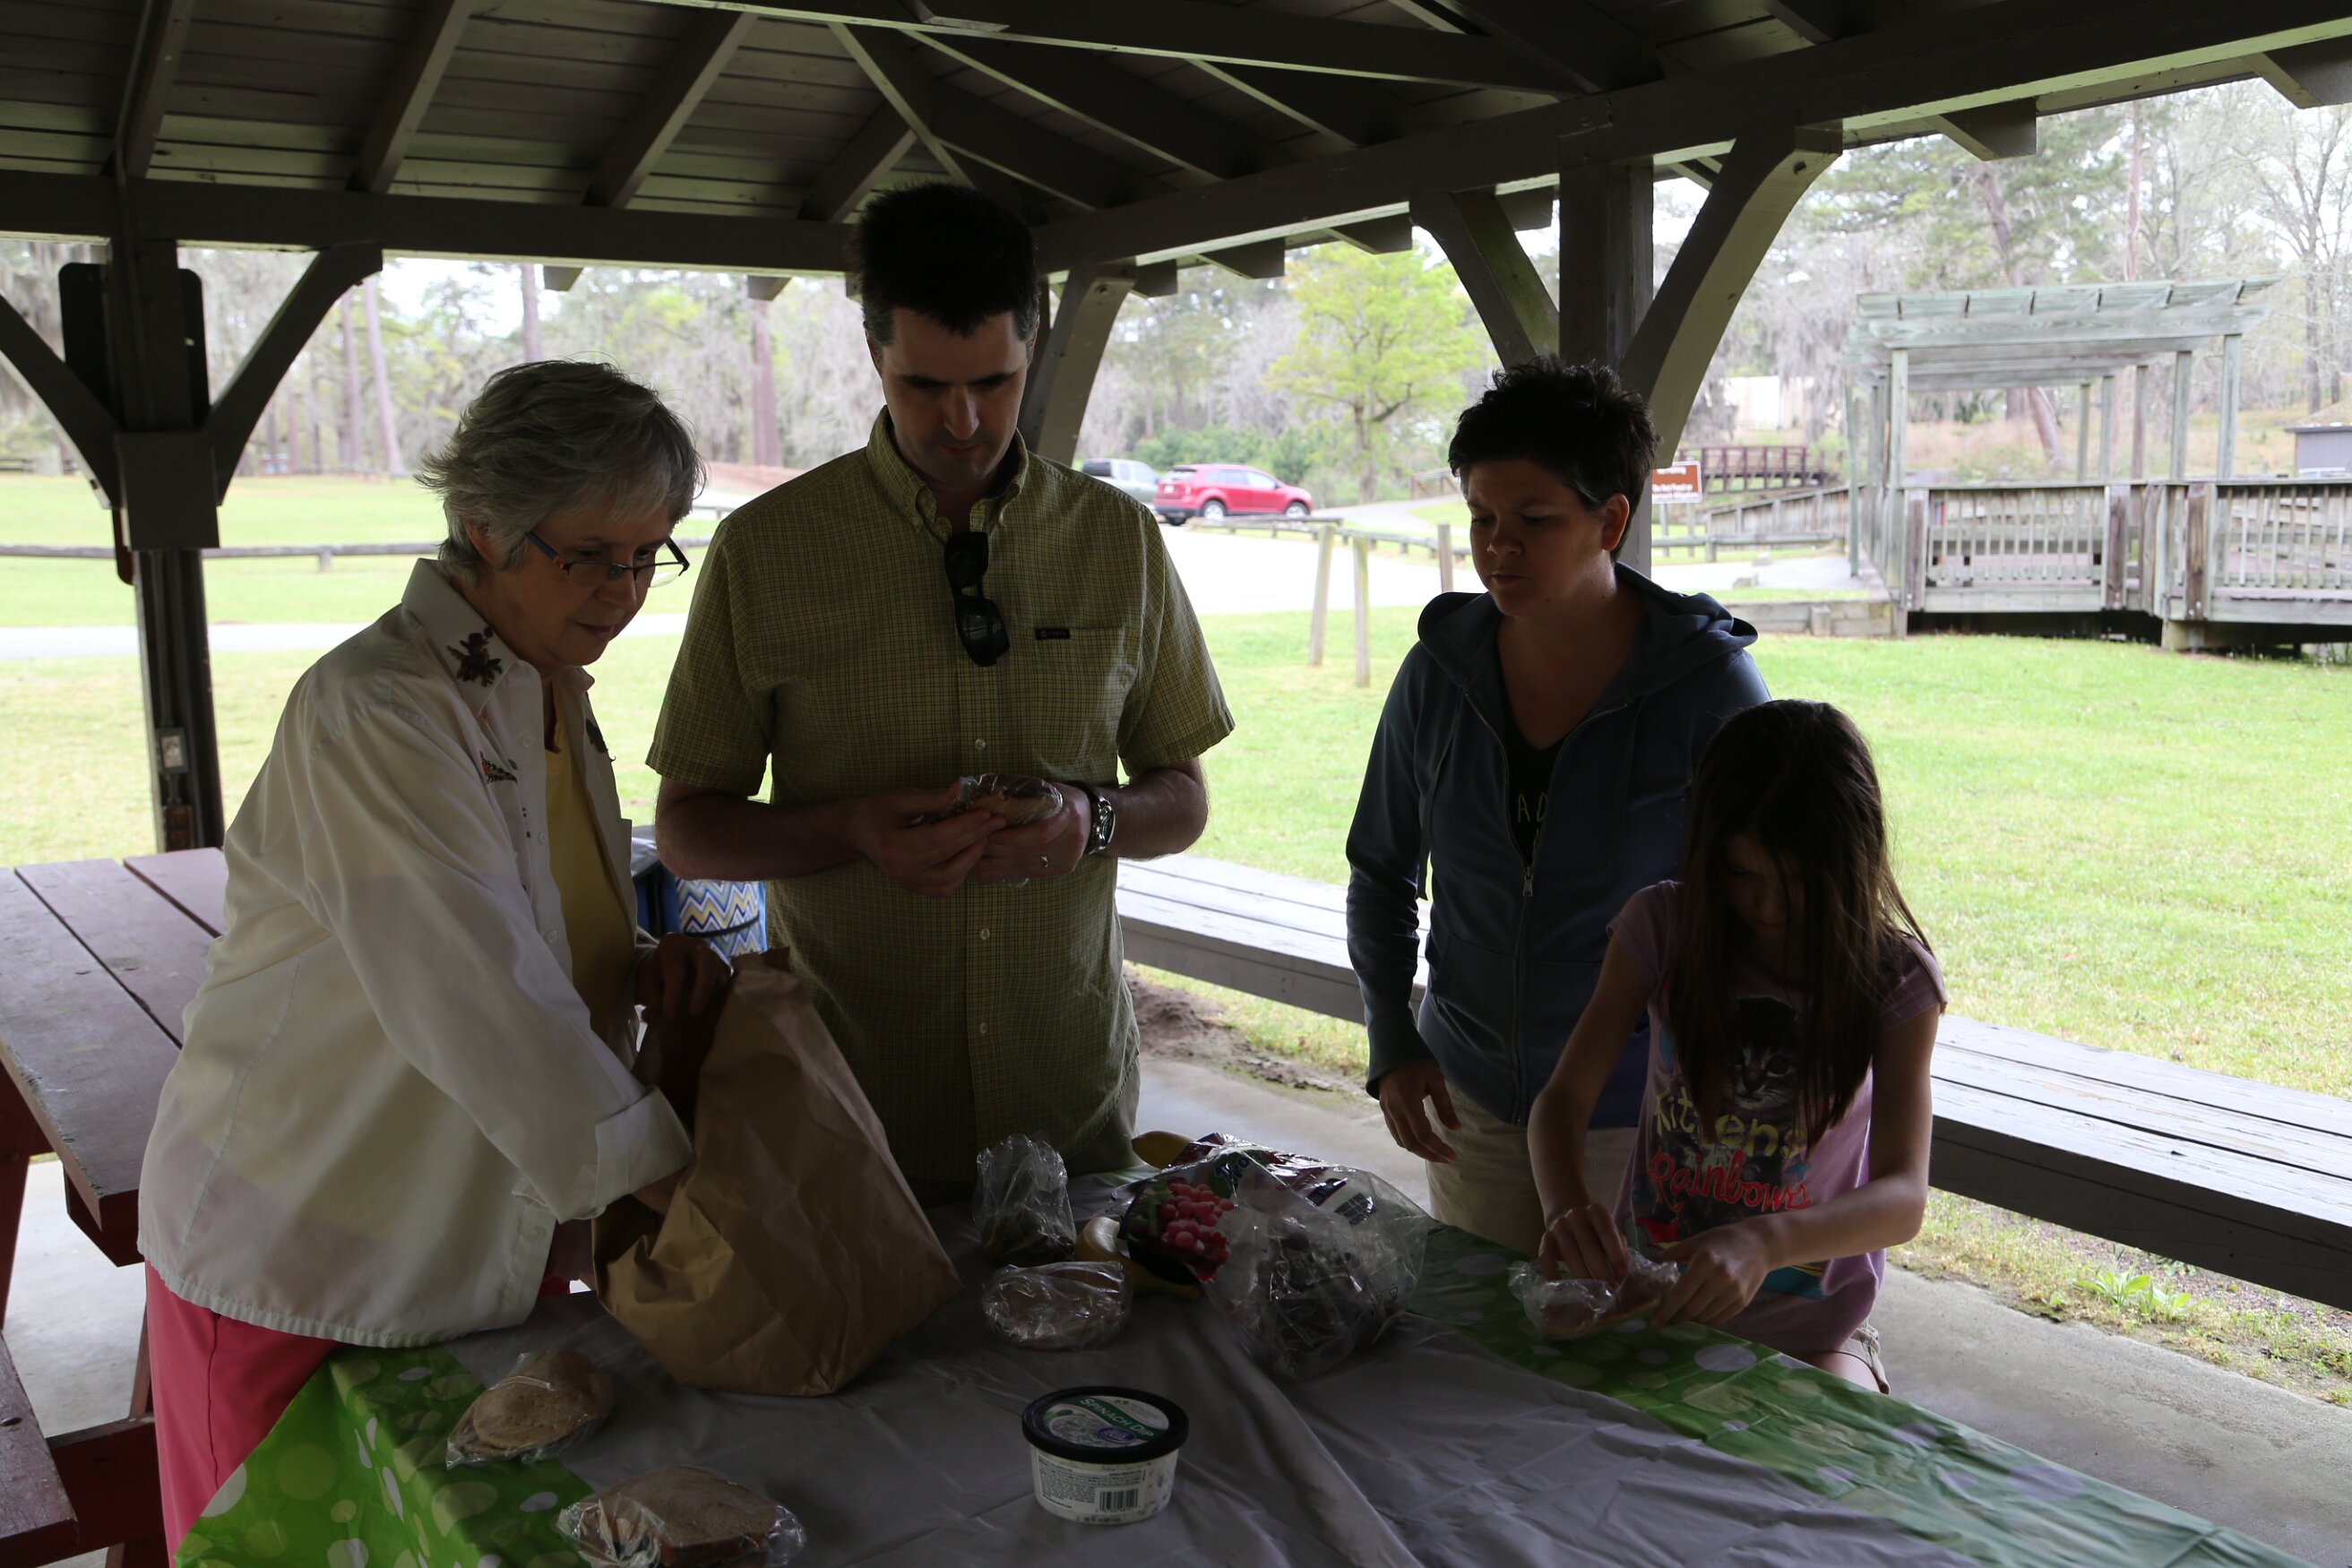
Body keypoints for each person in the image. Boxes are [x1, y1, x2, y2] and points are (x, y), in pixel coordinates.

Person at [137, 361, 731, 1544]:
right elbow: (477, 992)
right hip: (306, 1243)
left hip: (465, 1233)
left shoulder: (541, 681)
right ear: (484, 526)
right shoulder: (383, 708)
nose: (622, 593)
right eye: (589, 555)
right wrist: (695, 1196)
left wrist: (629, 958)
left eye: (647, 555)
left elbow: (521, 913)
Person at [649, 183, 1233, 1198]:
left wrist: (1089, 821)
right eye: (923, 385)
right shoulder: (768, 551)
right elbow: (690, 832)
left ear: (1033, 345)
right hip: (850, 1110)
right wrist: (851, 830)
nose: (963, 422)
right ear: (873, 350)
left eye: (994, 383)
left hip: (1068, 1100)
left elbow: (1181, 798)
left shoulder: (1117, 541)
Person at [1347, 358, 1768, 1255]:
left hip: (1644, 1117)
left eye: (1534, 520)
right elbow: (1380, 867)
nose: (1498, 548)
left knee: (1633, 1339)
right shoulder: (1437, 675)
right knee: (1482, 1330)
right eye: (1482, 518)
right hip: (1471, 1105)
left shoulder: (1709, 688)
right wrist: (1392, 1034)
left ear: (1610, 520)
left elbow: (1766, 911)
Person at [1528, 700, 1945, 1391]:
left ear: (1852, 860)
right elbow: (1562, 1101)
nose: (1768, 907)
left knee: (1823, 1453)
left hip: (1813, 1331)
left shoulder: (1893, 978)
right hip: (1654, 1300)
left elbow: (1903, 1198)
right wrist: (1565, 1208)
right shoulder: (1662, 927)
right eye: (1741, 873)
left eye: (1797, 882)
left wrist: (1765, 1240)